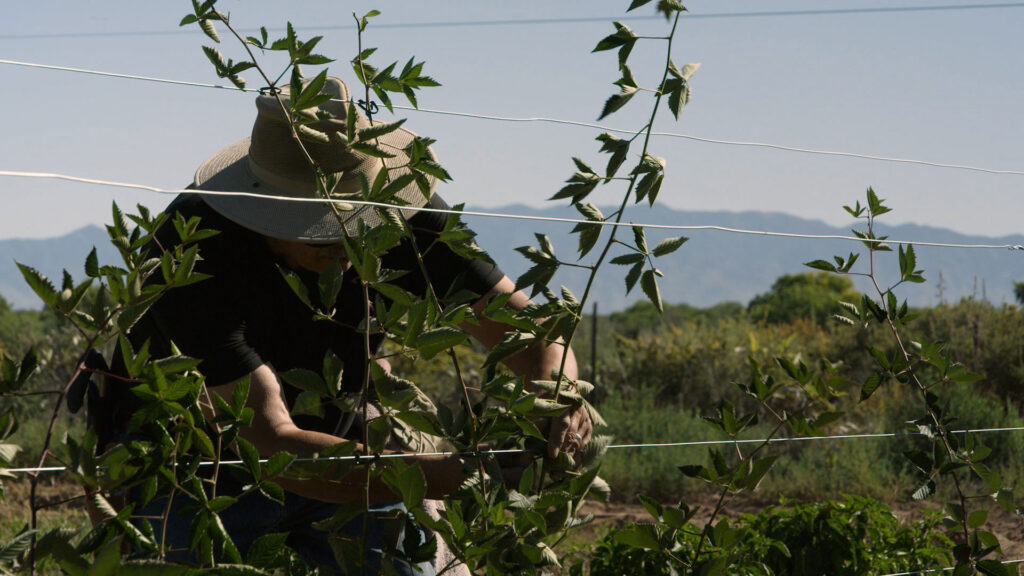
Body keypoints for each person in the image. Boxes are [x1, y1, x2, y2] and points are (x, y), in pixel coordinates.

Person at [107, 76, 592, 573]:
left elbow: (530, 332)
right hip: (196, 467)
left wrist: (556, 390)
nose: (344, 246)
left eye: (358, 227)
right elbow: (269, 439)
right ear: (261, 211)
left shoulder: (404, 211)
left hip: (348, 448)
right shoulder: (191, 245)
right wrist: (453, 475)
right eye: (317, 235)